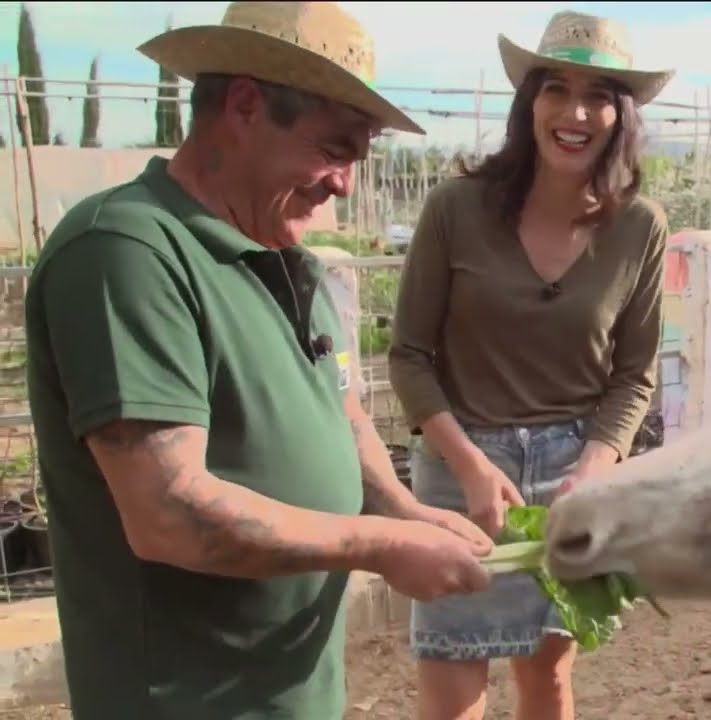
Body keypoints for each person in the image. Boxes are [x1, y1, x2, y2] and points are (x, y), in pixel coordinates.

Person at [22, 3, 495, 719]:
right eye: (334, 149)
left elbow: (341, 410)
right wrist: (380, 544)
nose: (345, 183)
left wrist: (404, 509)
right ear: (244, 105)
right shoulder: (127, 253)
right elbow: (169, 511)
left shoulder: (281, 255)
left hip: (292, 694)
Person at [387, 10, 674, 720]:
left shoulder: (639, 227)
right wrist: (468, 465)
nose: (575, 113)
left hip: (571, 470)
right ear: (529, 104)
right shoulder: (456, 209)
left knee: (547, 675)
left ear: (621, 115)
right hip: (459, 469)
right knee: (453, 686)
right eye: (556, 89)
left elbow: (634, 374)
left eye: (598, 95)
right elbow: (410, 356)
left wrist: (595, 466)